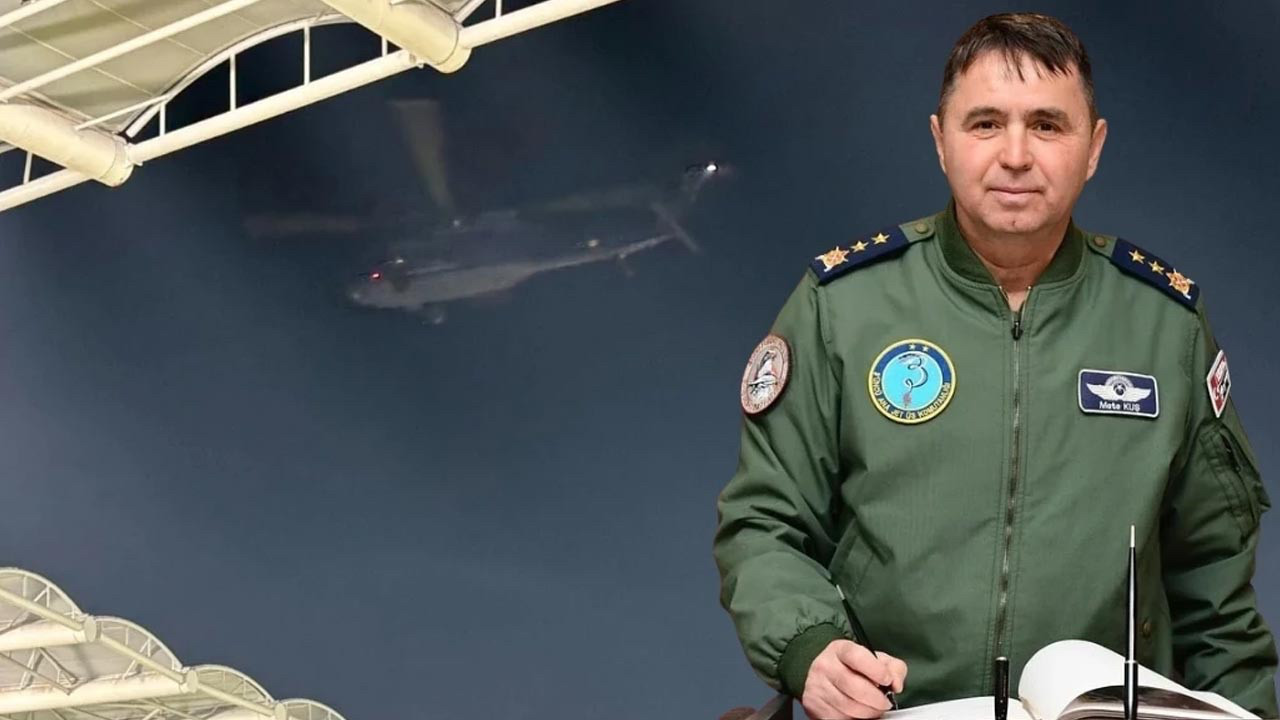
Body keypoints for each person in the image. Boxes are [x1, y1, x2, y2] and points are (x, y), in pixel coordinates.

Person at [712, 12, 1277, 720]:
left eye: (1047, 125)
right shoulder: (843, 308)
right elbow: (764, 522)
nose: (1015, 155)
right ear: (940, 141)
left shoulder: (1165, 326)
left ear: (1094, 147)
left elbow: (1216, 590)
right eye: (985, 124)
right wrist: (810, 648)